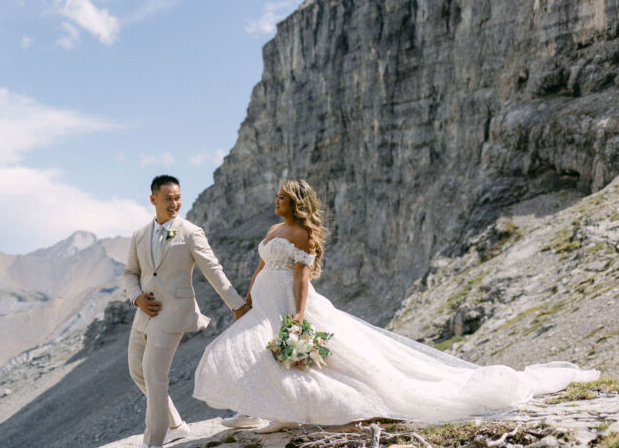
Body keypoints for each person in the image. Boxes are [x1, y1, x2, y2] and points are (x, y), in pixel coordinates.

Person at [193, 179, 599, 428]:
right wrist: (245, 299)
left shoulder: (303, 234)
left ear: (296, 201)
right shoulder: (273, 228)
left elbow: (300, 277)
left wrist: (298, 317)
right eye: (277, 196)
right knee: (245, 350)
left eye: (282, 197)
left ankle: (265, 406)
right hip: (262, 299)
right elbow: (261, 264)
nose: (276, 201)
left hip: (286, 302)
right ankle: (250, 406)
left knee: (269, 354)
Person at [123, 175, 251, 448]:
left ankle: (153, 442)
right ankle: (175, 425)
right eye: (168, 198)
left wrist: (237, 304)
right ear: (153, 199)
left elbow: (213, 270)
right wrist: (136, 297)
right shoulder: (140, 234)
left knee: (154, 373)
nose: (174, 204)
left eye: (178, 198)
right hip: (143, 312)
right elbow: (130, 272)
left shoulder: (191, 233)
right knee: (136, 370)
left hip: (173, 313)